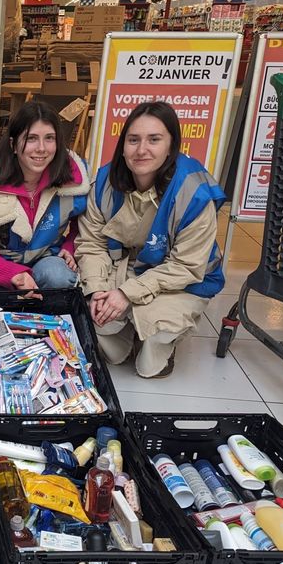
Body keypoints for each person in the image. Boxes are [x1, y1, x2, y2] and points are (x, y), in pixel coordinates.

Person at [74, 101, 226, 378]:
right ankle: (127, 330)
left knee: (150, 363)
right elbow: (92, 244)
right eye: (133, 140)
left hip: (180, 280)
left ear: (171, 145)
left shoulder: (194, 192)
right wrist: (96, 290)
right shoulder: (106, 181)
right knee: (94, 318)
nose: (141, 150)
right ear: (123, 145)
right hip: (125, 267)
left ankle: (156, 341)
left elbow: (186, 267)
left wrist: (126, 294)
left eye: (154, 140)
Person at [0, 101, 90, 308]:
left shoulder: (72, 181)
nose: (41, 149)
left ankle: (47, 327)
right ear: (13, 145)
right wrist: (15, 275)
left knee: (58, 275)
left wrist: (69, 245)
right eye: (31, 139)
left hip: (45, 259)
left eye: (49, 139)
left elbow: (85, 224)